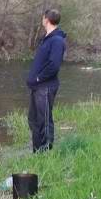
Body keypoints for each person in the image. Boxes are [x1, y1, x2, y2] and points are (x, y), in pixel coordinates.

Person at [26, 9, 67, 152]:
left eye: (43, 17)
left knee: (44, 121)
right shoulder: (47, 39)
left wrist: (38, 77)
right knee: (34, 120)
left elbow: (54, 65)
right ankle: (37, 152)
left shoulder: (57, 40)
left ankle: (46, 153)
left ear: (46, 19)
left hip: (45, 87)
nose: (42, 20)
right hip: (37, 87)